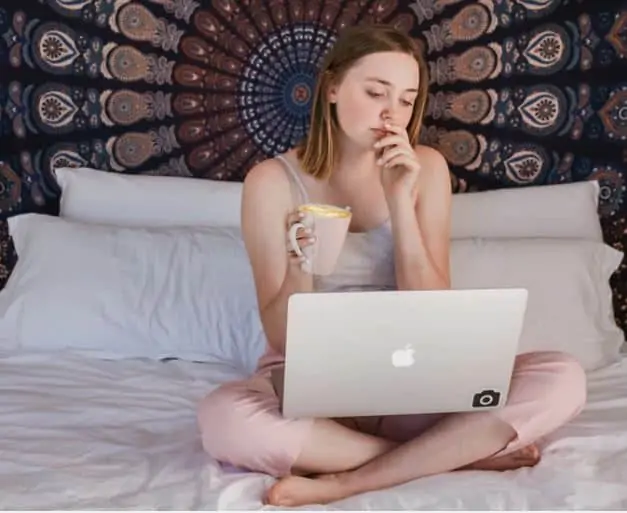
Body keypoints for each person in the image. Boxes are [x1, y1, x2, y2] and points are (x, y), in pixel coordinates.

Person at [197, 25, 587, 507]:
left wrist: (400, 202)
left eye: (406, 100)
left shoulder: (426, 168)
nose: (391, 113)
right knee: (223, 419)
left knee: (562, 376)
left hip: (415, 376)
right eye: (376, 92)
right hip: (309, 381)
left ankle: (348, 480)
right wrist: (301, 263)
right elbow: (280, 337)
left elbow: (435, 310)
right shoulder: (272, 181)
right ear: (333, 88)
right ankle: (450, 455)